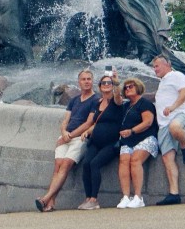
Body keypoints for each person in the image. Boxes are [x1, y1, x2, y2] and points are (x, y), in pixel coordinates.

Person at [36, 70, 103, 212]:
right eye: (83, 79)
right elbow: (65, 120)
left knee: (66, 164)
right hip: (66, 136)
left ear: (92, 81)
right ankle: (51, 202)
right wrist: (64, 133)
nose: (86, 81)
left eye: (89, 79)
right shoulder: (74, 100)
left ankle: (46, 198)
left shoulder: (96, 100)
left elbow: (89, 123)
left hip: (79, 138)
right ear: (79, 82)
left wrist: (71, 136)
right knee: (58, 166)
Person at [77, 72, 129, 210]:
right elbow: (95, 122)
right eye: (104, 83)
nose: (107, 85)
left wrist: (116, 81)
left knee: (95, 164)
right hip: (95, 141)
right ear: (99, 87)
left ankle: (94, 200)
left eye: (109, 83)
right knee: (86, 164)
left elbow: (118, 95)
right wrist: (88, 130)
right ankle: (88, 198)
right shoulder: (97, 103)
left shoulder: (117, 102)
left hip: (110, 143)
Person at [151, 54, 185, 205]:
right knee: (167, 159)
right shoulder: (162, 83)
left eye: (157, 66)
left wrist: (173, 107)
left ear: (167, 64)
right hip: (163, 125)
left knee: (175, 127)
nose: (154, 69)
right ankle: (174, 194)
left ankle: (184, 146)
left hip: (179, 115)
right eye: (153, 67)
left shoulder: (176, 75)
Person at [115, 78, 158, 209]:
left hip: (145, 137)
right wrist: (116, 83)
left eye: (131, 86)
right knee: (123, 160)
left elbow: (148, 122)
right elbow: (116, 99)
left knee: (135, 160)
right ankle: (126, 197)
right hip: (128, 140)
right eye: (126, 87)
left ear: (138, 87)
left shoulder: (145, 103)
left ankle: (138, 197)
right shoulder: (126, 105)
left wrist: (132, 131)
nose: (128, 89)